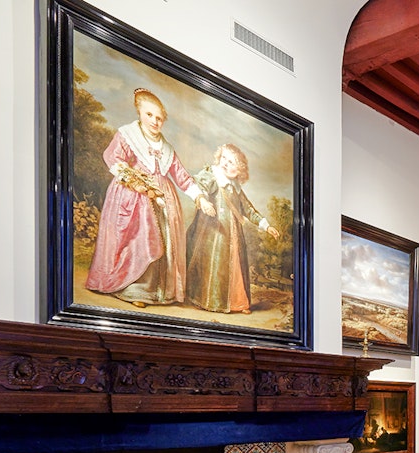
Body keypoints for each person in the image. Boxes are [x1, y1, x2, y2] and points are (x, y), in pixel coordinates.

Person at [85, 88, 210, 307]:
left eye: (159, 118)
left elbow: (181, 176)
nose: (154, 121)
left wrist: (199, 197)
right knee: (141, 239)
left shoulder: (167, 148)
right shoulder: (127, 135)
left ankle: (158, 292)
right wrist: (135, 181)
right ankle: (134, 290)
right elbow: (113, 158)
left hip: (164, 200)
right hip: (132, 196)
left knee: (164, 240)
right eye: (149, 115)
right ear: (139, 112)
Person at [185, 143, 280, 314]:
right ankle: (211, 301)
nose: (225, 164)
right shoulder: (213, 176)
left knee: (235, 266)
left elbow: (249, 210)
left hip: (234, 235)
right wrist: (203, 200)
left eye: (231, 162)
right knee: (215, 265)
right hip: (214, 233)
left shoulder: (236, 188)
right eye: (224, 159)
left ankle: (239, 302)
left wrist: (267, 226)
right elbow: (199, 187)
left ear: (240, 169)